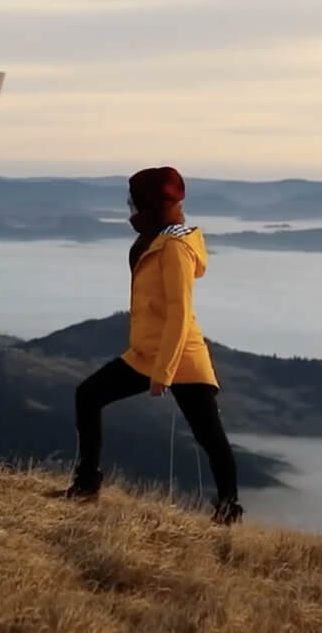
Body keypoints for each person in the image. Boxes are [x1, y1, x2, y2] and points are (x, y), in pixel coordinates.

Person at [65, 165, 244, 525]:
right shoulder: (155, 239)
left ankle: (228, 510)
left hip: (181, 358)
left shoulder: (174, 248)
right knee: (88, 395)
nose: (129, 209)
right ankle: (86, 484)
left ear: (149, 206)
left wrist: (164, 373)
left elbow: (179, 314)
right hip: (146, 354)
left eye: (133, 202)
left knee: (210, 437)